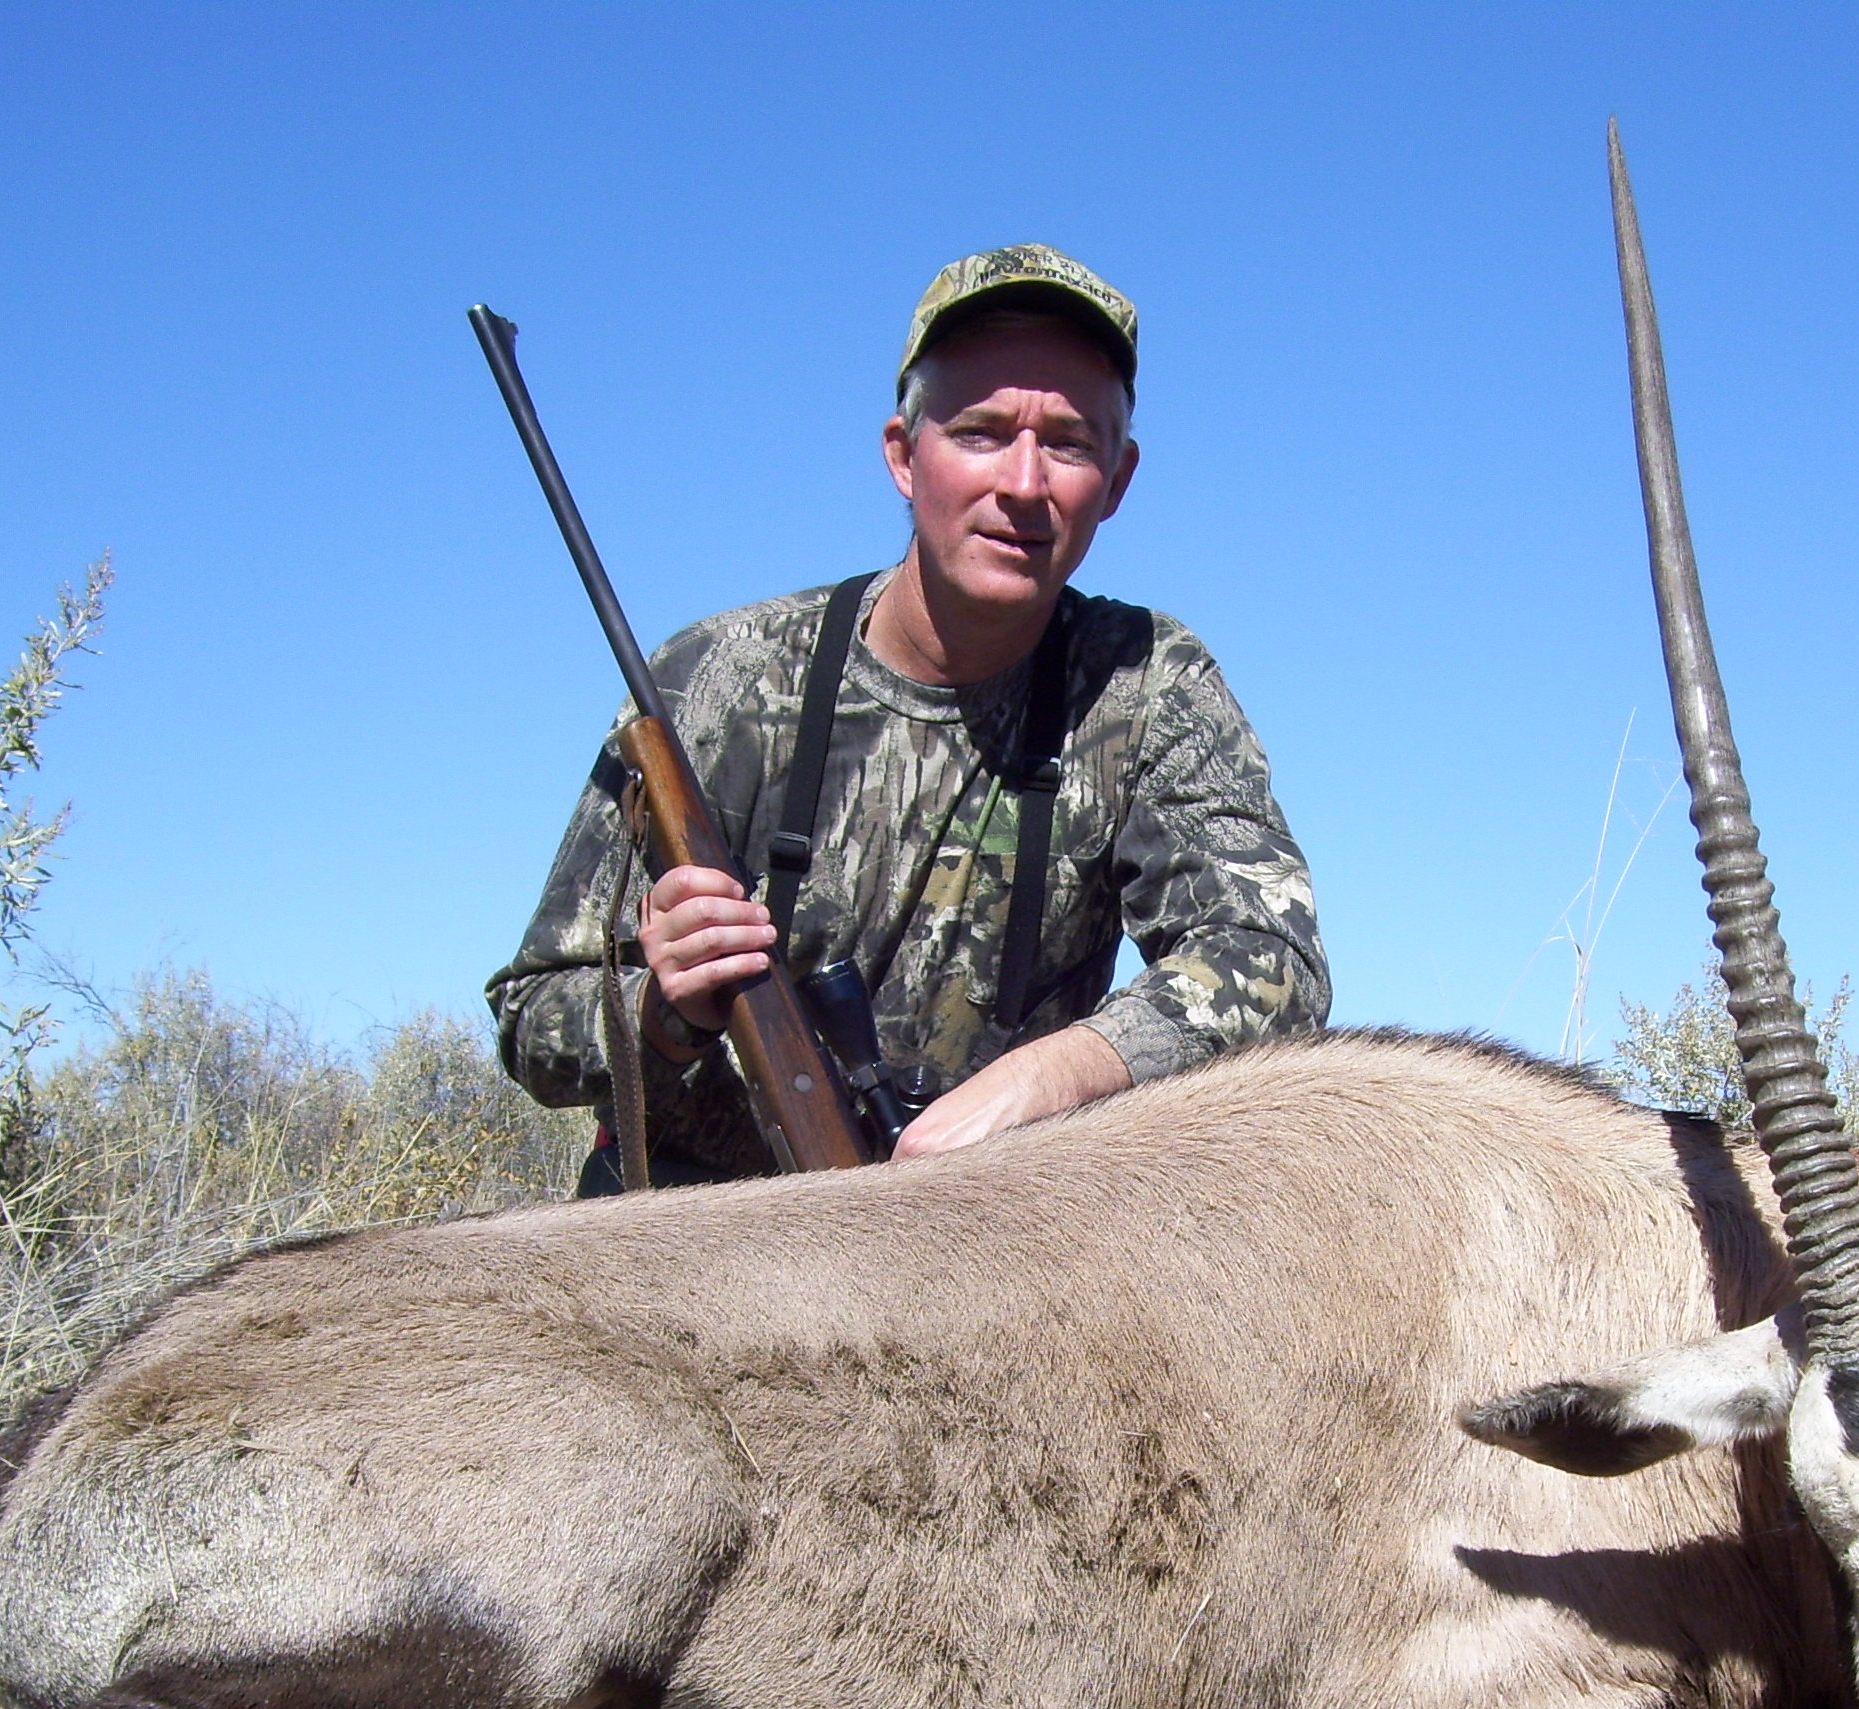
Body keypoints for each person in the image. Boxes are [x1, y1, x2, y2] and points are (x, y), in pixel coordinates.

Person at [489, 244, 1328, 1187]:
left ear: (1118, 480)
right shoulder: (717, 676)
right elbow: (534, 1024)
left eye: (1069, 442)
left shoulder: (1148, 683)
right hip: (694, 1231)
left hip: (973, 1231)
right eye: (979, 432)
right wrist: (664, 1010)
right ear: (903, 455)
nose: (1023, 483)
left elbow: (1272, 963)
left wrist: (1047, 1079)